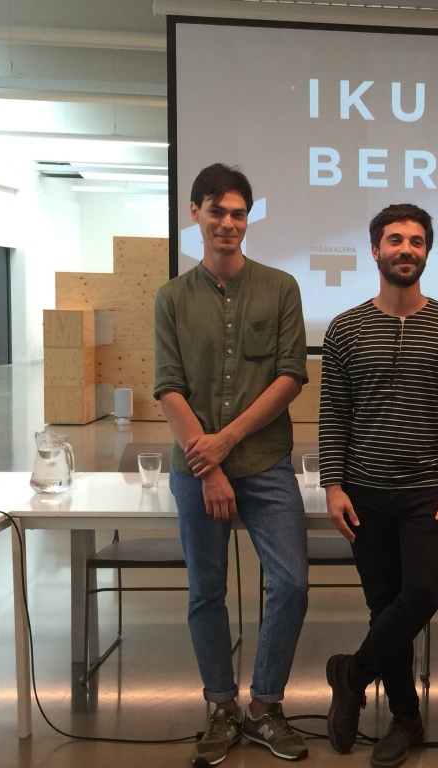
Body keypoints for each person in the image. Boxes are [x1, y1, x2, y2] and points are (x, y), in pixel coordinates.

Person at [153, 163, 310, 766]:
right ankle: (221, 707)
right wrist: (210, 464)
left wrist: (227, 442)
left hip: (265, 462)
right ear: (195, 212)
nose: (227, 222)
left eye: (238, 213)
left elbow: (290, 376)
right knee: (206, 592)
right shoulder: (171, 297)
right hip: (197, 470)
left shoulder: (281, 287)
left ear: (248, 219)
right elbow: (169, 387)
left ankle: (264, 706)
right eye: (216, 211)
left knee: (291, 584)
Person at [319, 203, 438, 768]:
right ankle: (406, 718)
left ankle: (351, 675)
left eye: (416, 241)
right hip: (364, 492)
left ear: (427, 252)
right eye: (395, 240)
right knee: (384, 606)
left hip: (428, 494)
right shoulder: (345, 328)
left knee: (422, 597)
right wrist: (333, 485)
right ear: (375, 250)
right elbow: (333, 412)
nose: (405, 249)